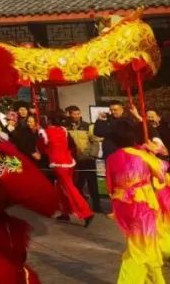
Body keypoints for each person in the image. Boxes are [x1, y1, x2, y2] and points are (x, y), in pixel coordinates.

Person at [105, 120, 167, 284]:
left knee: (142, 244)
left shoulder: (111, 158)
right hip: (141, 205)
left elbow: (110, 185)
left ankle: (155, 280)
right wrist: (155, 153)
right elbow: (162, 174)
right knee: (141, 248)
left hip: (122, 206)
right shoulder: (142, 155)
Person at [37, 113, 94, 226]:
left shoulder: (44, 132)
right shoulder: (63, 130)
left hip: (58, 163)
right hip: (69, 161)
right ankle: (65, 212)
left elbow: (42, 148)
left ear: (48, 121)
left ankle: (86, 213)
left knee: (69, 188)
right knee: (59, 186)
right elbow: (71, 144)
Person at [64, 105, 102, 215]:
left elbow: (95, 141)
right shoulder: (66, 127)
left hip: (88, 158)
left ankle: (97, 206)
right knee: (78, 184)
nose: (76, 116)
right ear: (70, 115)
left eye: (78, 114)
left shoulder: (87, 126)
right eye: (74, 114)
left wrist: (92, 154)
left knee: (92, 184)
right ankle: (82, 206)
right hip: (74, 159)